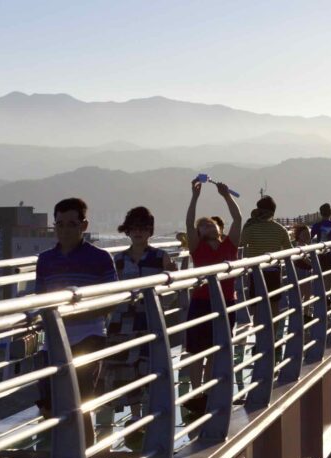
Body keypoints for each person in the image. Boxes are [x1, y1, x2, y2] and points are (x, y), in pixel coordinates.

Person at [35, 197, 117, 448]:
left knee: (80, 404)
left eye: (71, 224)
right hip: (54, 340)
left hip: (88, 336)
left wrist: (79, 310)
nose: (64, 230)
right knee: (48, 405)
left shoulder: (101, 258)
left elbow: (112, 299)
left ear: (84, 225)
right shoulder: (46, 259)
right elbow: (40, 299)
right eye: (59, 224)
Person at [102, 207, 177, 423]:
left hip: (149, 321)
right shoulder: (118, 259)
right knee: (126, 370)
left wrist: (171, 278)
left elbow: (172, 288)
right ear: (127, 230)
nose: (138, 232)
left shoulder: (160, 257)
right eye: (134, 228)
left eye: (143, 228)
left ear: (150, 231)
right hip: (121, 323)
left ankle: (148, 416)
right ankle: (135, 418)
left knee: (149, 367)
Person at [185, 178, 243, 408]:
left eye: (211, 224)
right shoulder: (197, 248)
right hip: (201, 302)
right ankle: (196, 392)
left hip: (226, 302)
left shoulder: (231, 245)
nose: (207, 226)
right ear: (198, 232)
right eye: (204, 225)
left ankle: (207, 391)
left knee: (216, 350)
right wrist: (195, 197)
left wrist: (226, 196)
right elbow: (189, 223)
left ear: (219, 228)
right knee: (197, 351)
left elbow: (238, 219)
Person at [240, 196, 292, 313]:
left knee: (257, 306)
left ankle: (259, 329)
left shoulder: (251, 227)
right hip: (274, 270)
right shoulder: (280, 229)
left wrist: (248, 224)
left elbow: (240, 242)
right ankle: (272, 330)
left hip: (256, 271)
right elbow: (289, 250)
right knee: (274, 305)